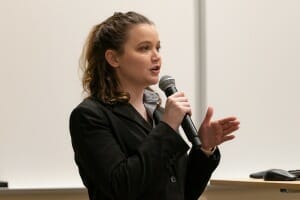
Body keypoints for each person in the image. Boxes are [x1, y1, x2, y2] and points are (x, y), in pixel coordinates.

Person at [69, 11, 240, 200]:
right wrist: (167, 128)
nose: (156, 56)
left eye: (158, 48)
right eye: (144, 48)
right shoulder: (90, 116)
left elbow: (183, 192)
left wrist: (205, 149)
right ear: (113, 58)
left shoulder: (159, 113)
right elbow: (121, 187)